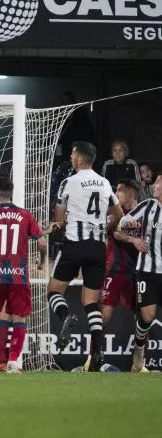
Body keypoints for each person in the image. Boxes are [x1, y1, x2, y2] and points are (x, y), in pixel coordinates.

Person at [47, 142, 123, 371]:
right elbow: (118, 213)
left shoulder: (69, 182)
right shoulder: (104, 182)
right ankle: (98, 351)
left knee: (53, 290)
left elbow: (59, 220)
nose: (71, 158)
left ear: (79, 158)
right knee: (91, 302)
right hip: (97, 248)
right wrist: (107, 229)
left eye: (72, 154)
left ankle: (65, 316)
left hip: (74, 246)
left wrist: (58, 223)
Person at [0, 172, 47, 373]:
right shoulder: (25, 215)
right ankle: (14, 362)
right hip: (18, 274)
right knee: (19, 318)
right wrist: (42, 262)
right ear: (11, 193)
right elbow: (42, 242)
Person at [118, 174, 162, 372]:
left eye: (159, 183)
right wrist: (133, 240)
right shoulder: (148, 207)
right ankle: (139, 349)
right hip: (147, 270)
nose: (155, 186)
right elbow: (120, 227)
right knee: (147, 316)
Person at [101, 180, 144, 330]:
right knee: (104, 315)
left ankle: (140, 351)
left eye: (119, 190)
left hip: (137, 273)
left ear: (130, 193)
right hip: (114, 271)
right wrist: (133, 239)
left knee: (142, 316)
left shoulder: (145, 214)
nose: (115, 194)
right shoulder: (115, 213)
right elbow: (115, 232)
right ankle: (95, 352)